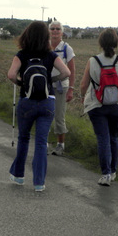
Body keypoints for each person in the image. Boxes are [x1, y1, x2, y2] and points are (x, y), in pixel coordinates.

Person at [7, 21, 70, 192]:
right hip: (47, 101)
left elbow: (11, 74)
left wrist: (22, 83)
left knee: (24, 138)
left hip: (26, 101)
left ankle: (19, 176)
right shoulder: (50, 55)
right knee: (41, 142)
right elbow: (66, 72)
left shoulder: (22, 54)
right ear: (46, 37)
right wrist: (51, 81)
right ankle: (39, 182)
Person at [80, 28, 118, 186]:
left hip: (97, 104)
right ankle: (114, 171)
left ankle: (106, 174)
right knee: (114, 137)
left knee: (102, 138)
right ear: (116, 43)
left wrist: (83, 97)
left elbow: (84, 84)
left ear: (100, 43)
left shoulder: (93, 61)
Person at [48, 20, 76, 156]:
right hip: (46, 86)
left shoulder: (66, 48)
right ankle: (45, 143)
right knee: (45, 113)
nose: (55, 31)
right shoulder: (44, 47)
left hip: (61, 87)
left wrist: (71, 89)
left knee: (59, 116)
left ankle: (60, 144)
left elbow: (72, 70)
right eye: (52, 29)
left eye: (57, 29)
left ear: (62, 32)